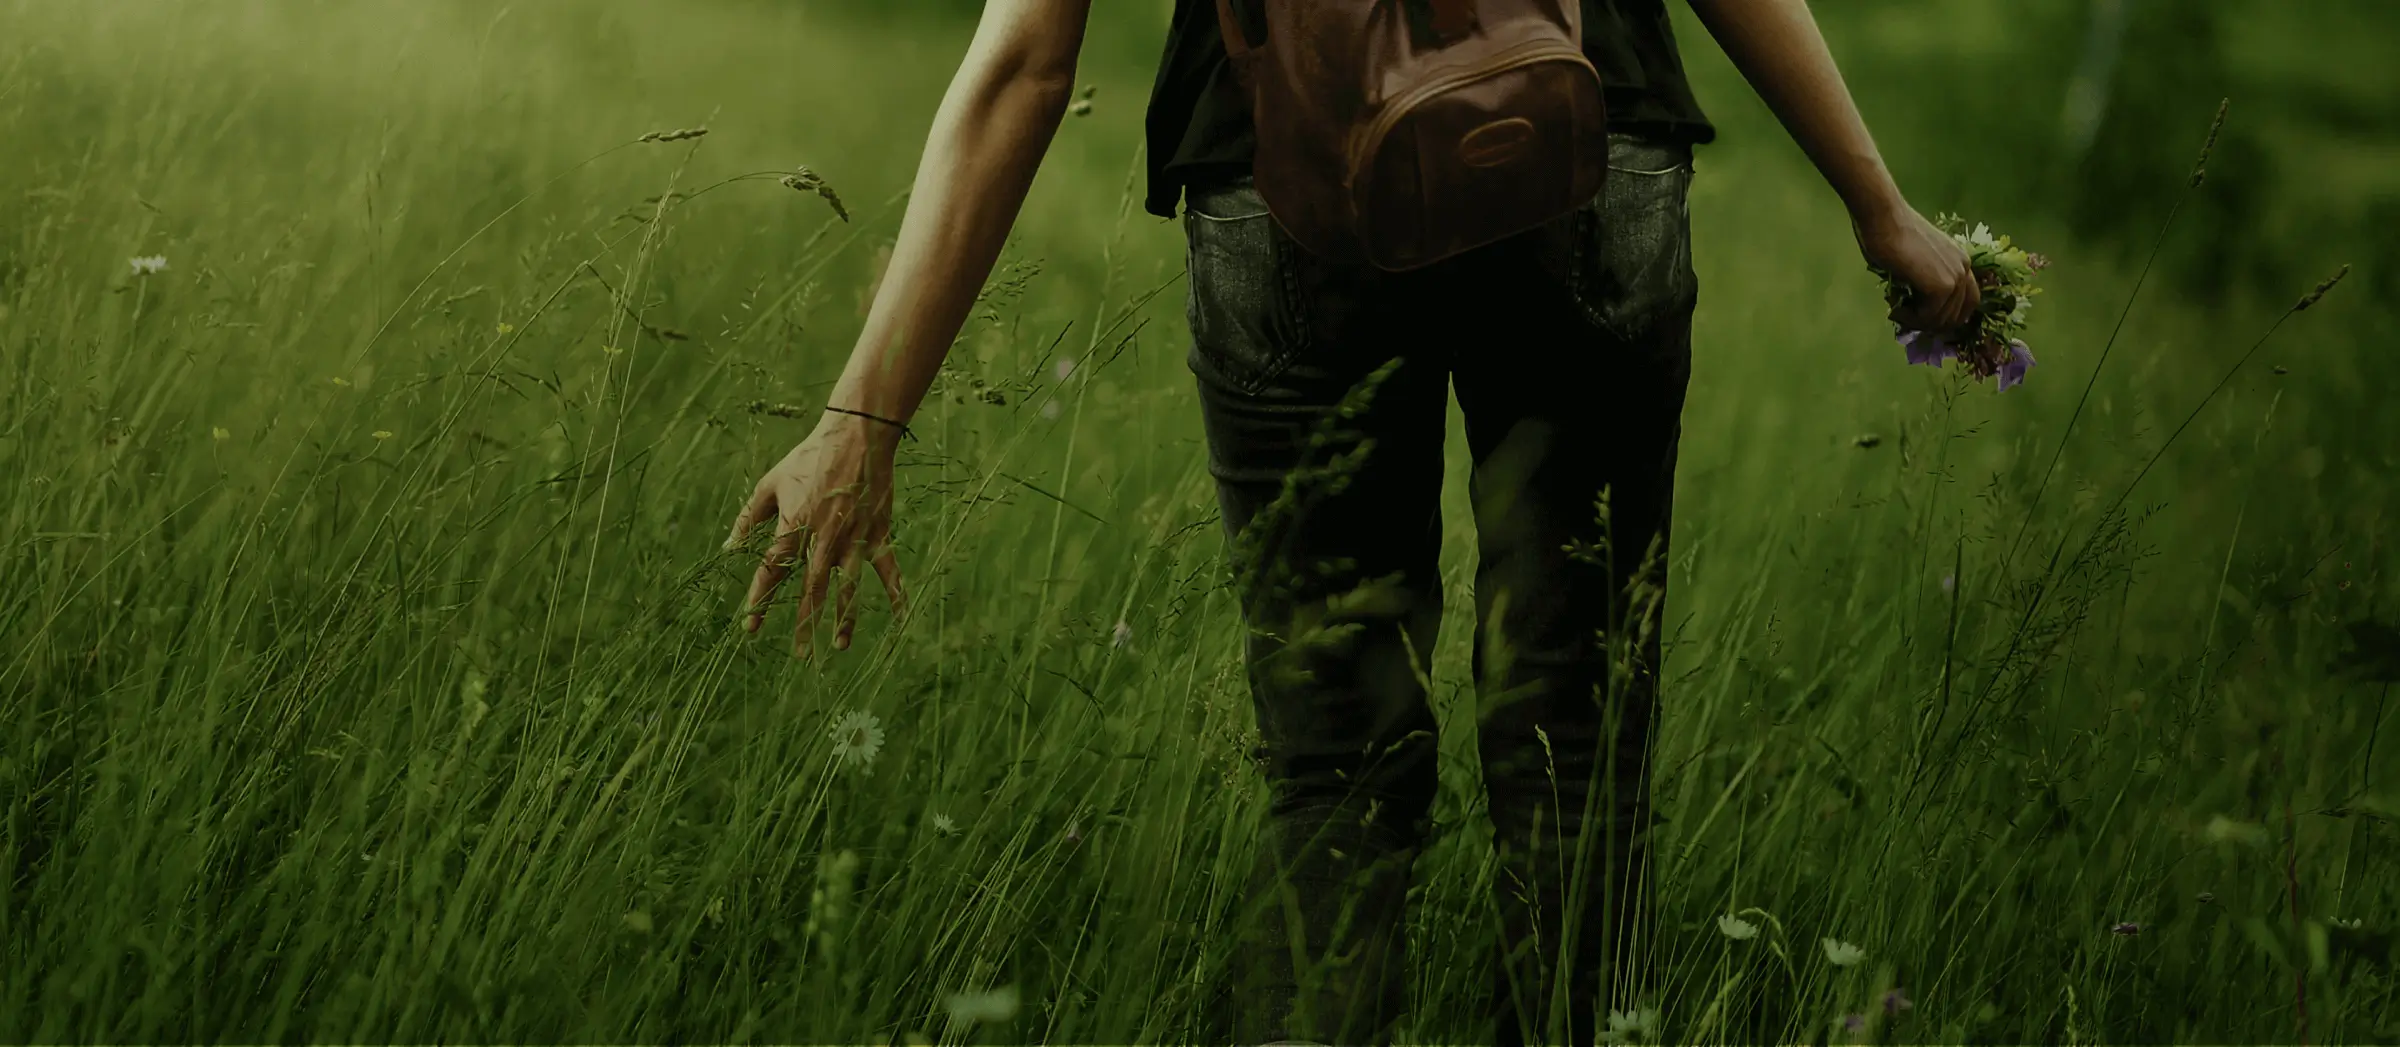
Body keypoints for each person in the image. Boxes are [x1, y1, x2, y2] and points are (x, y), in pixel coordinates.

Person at [723, 1, 1979, 1044]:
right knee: (1579, 756)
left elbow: (1023, 66)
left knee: (1333, 769)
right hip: (1580, 147)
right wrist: (1879, 205)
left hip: (1282, 182)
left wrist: (863, 419)